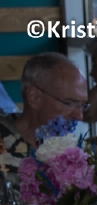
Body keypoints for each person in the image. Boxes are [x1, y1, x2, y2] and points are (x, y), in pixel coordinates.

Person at [0, 53, 88, 192]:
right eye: (69, 103)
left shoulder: (72, 151)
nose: (80, 116)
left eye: (82, 105)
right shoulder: (4, 139)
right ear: (34, 97)